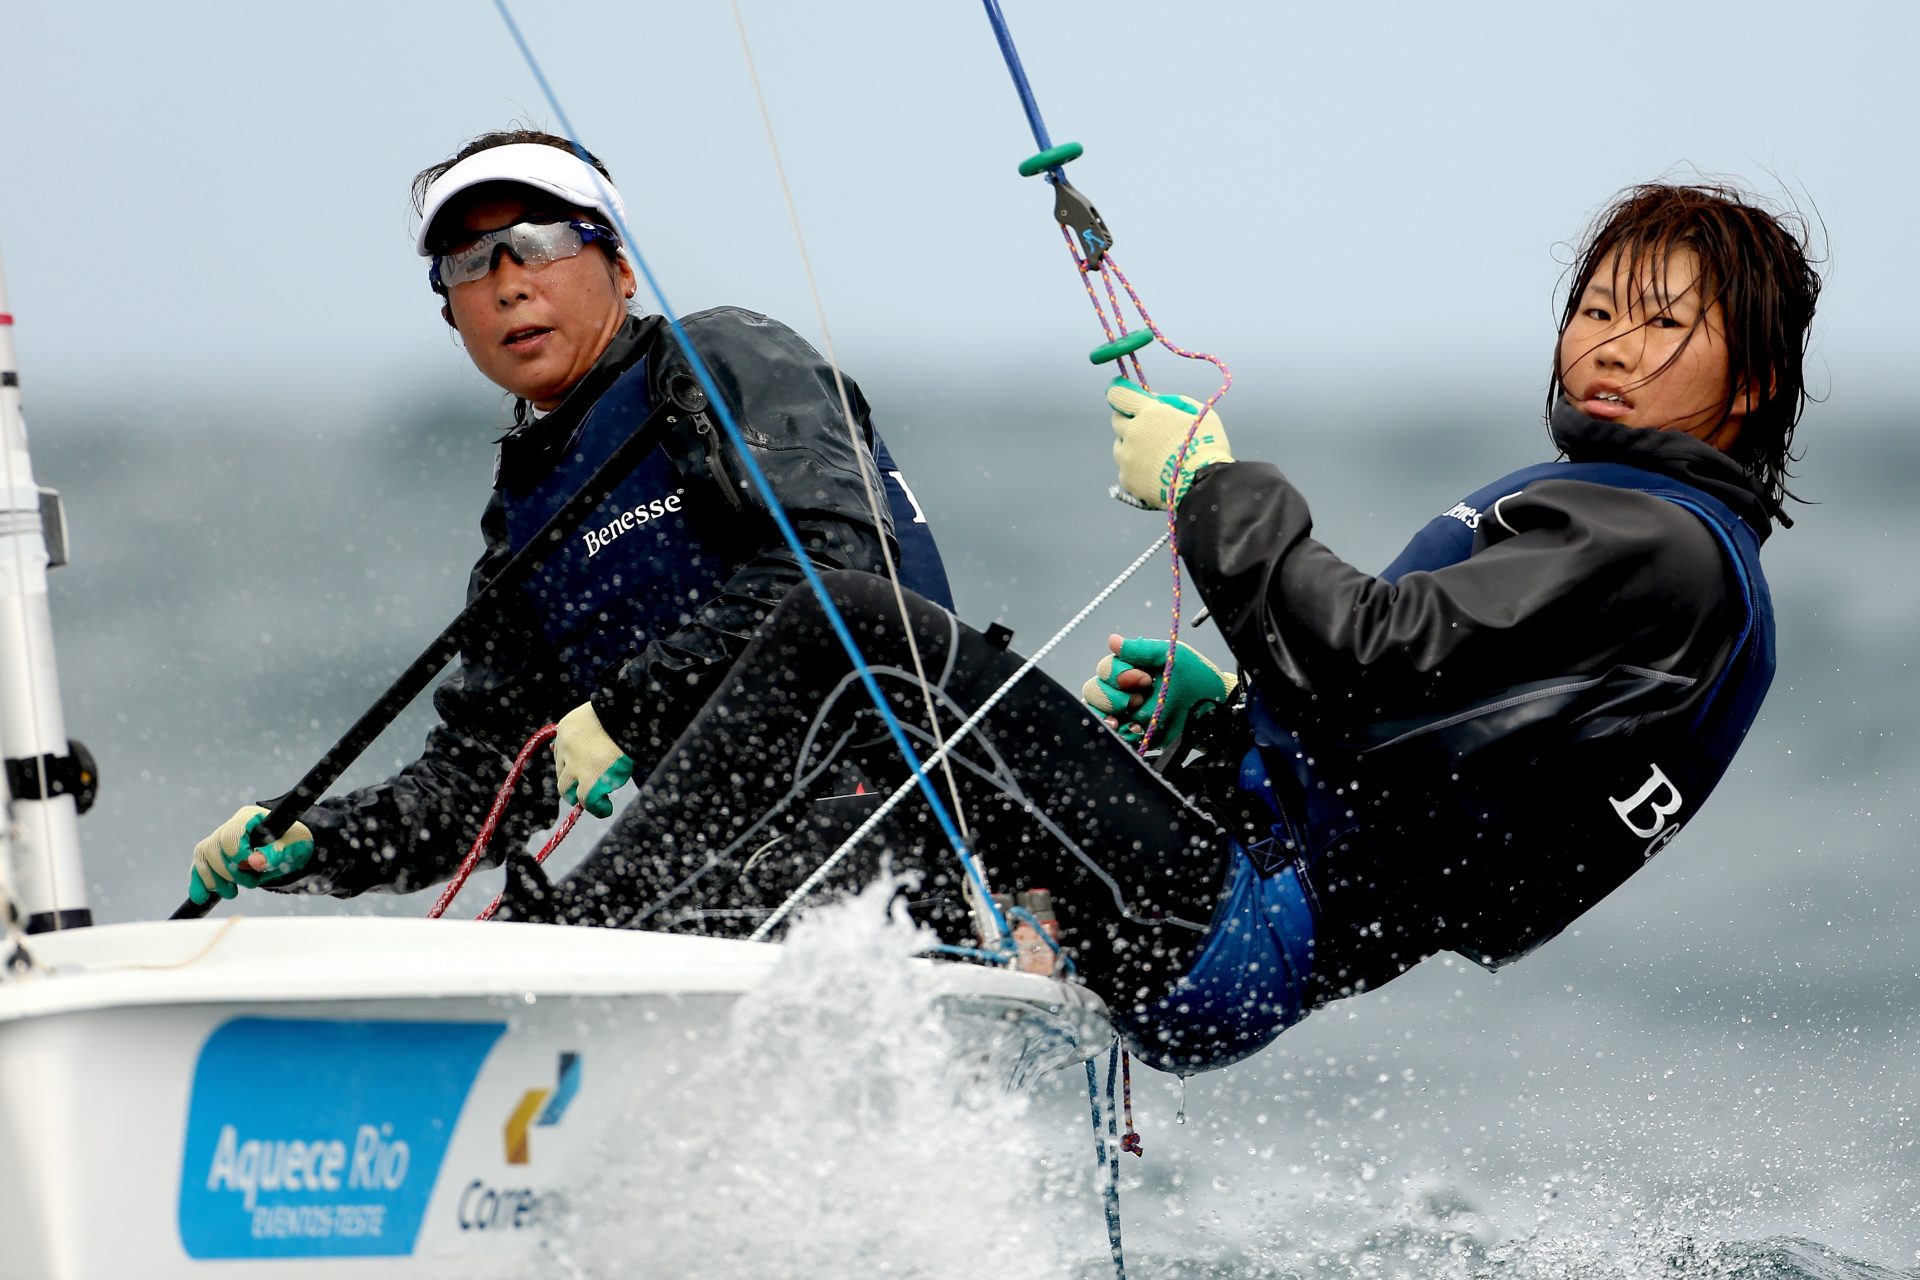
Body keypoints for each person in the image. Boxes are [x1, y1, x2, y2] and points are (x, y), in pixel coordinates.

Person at [496, 180, 1819, 1077]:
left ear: (1749, 381)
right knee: (882, 749)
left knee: (858, 637)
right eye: (1597, 307)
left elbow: (1364, 660)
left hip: (1228, 920)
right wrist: (1227, 714)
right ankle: (704, 994)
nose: (1613, 343)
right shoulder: (1676, 562)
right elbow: (1439, 753)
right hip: (1232, 915)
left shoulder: (1652, 543)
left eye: (1664, 322)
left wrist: (1209, 485)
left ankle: (557, 982)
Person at [186, 130, 952, 906]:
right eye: (469, 262)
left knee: (586, 910)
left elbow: (838, 569)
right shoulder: (524, 513)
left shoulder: (719, 358)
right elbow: (487, 777)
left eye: (540, 242)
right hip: (736, 866)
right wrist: (321, 838)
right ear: (452, 313)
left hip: (922, 810)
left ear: (620, 268)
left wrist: (626, 709)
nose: (508, 284)